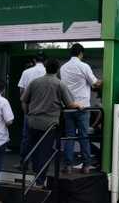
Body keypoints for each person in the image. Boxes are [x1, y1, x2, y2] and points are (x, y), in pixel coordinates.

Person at [21, 58, 80, 186]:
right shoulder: (59, 84)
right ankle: (40, 180)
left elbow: (24, 100)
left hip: (32, 121)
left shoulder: (34, 82)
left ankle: (36, 174)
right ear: (57, 69)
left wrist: (27, 114)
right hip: (49, 124)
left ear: (46, 68)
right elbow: (69, 104)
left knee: (35, 150)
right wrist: (79, 106)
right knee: (45, 152)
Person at [59, 43, 102, 174]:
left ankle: (68, 166)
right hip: (83, 108)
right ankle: (87, 166)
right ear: (81, 54)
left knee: (69, 136)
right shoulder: (84, 66)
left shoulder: (63, 68)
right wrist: (104, 81)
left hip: (68, 107)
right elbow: (95, 83)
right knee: (84, 136)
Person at [16, 52, 46, 168]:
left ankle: (23, 163)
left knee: (27, 138)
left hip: (29, 110)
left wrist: (25, 109)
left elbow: (22, 93)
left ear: (34, 60)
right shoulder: (47, 73)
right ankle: (37, 165)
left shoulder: (26, 72)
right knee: (40, 139)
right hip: (44, 111)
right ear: (46, 61)